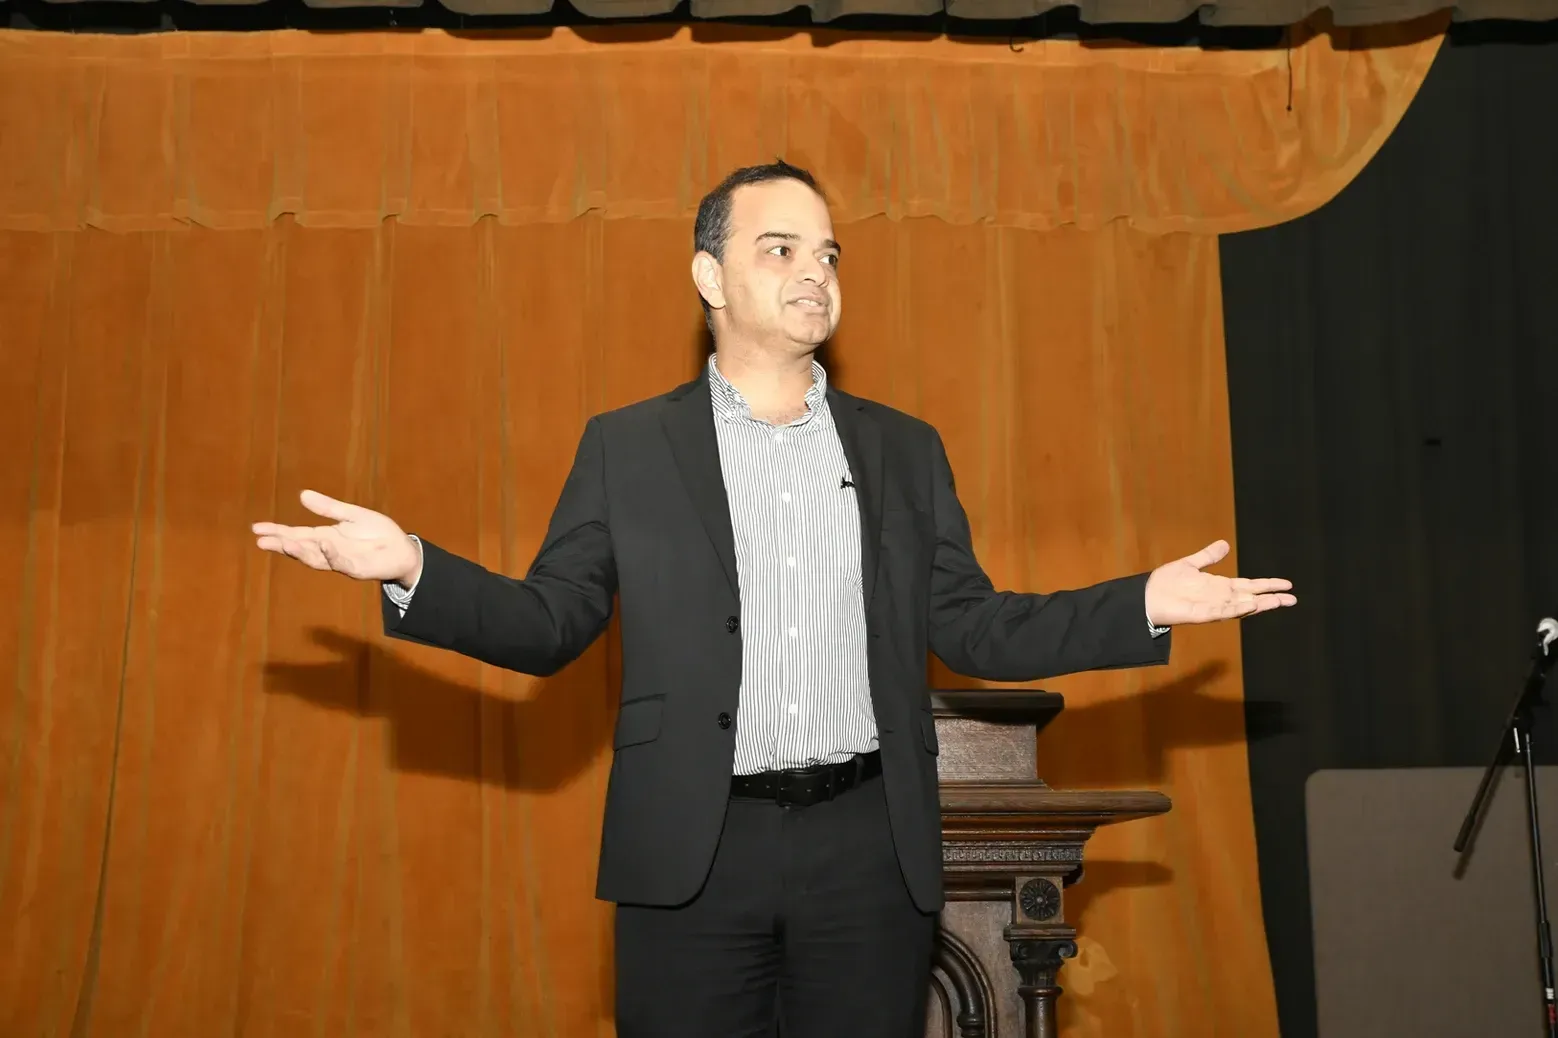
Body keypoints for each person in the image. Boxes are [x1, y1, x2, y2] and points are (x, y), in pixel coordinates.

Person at [252, 160, 1295, 1038]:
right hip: (693, 853)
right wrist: (410, 568)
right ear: (709, 273)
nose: (815, 273)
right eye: (781, 248)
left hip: (865, 848)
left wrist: (1141, 604)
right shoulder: (628, 447)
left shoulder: (900, 449)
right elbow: (548, 623)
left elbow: (974, 623)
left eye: (829, 252)